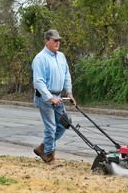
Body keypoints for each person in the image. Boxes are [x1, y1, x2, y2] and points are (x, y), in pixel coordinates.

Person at [32, 29, 76, 165]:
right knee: (51, 128)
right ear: (46, 41)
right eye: (54, 40)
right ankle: (50, 156)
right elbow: (38, 82)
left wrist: (69, 93)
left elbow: (66, 75)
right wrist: (50, 97)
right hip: (44, 98)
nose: (57, 43)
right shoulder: (40, 58)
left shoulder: (61, 57)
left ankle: (43, 147)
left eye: (58, 41)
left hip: (59, 97)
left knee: (64, 124)